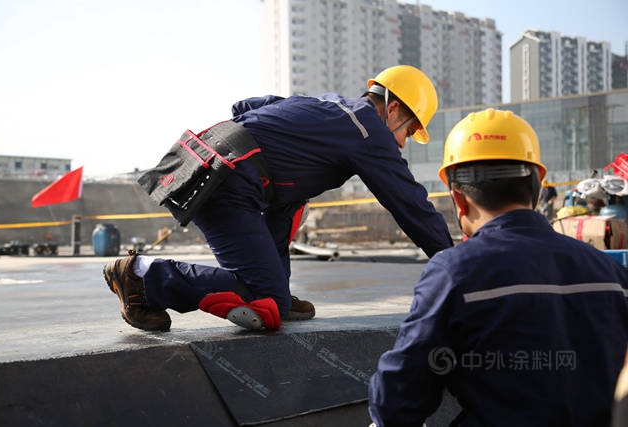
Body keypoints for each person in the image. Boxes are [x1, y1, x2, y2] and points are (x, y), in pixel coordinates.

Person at [103, 65, 454, 332]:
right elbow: (411, 205)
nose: (404, 142)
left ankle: (275, 290)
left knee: (291, 204)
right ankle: (141, 276)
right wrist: (460, 266)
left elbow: (248, 105)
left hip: (217, 160)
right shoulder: (368, 129)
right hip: (231, 179)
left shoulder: (330, 105)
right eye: (409, 129)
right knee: (265, 307)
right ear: (392, 108)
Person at [368, 108, 628, 426]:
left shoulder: (454, 273)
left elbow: (399, 398)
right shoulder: (611, 274)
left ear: (458, 199)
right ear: (536, 186)